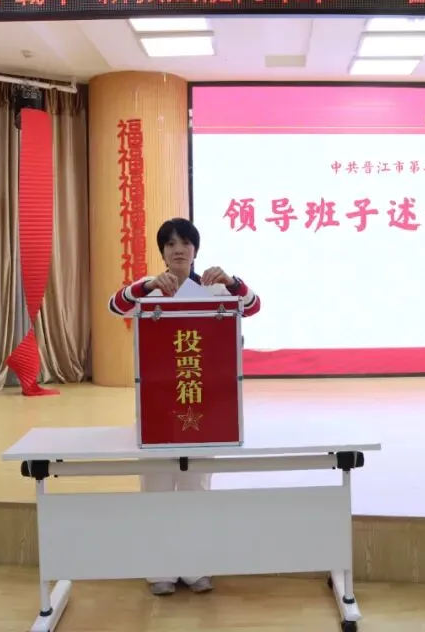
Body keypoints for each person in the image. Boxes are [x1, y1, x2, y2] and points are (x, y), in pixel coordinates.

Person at [107, 217, 260, 596]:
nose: (179, 249)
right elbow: (116, 306)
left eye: (185, 243)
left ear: (195, 250)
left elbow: (252, 306)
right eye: (171, 244)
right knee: (156, 488)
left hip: (205, 405)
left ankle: (195, 569)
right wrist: (146, 286)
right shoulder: (149, 290)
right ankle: (159, 571)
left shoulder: (213, 289)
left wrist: (232, 282)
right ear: (162, 252)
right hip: (158, 406)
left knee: (197, 489)